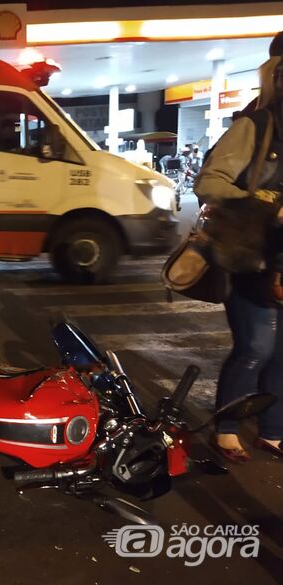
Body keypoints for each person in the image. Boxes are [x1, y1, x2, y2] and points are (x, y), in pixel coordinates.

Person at [193, 31, 283, 462]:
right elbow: (208, 182)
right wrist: (264, 202)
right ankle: (227, 425)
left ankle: (274, 428)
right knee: (255, 348)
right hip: (252, 255)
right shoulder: (256, 125)